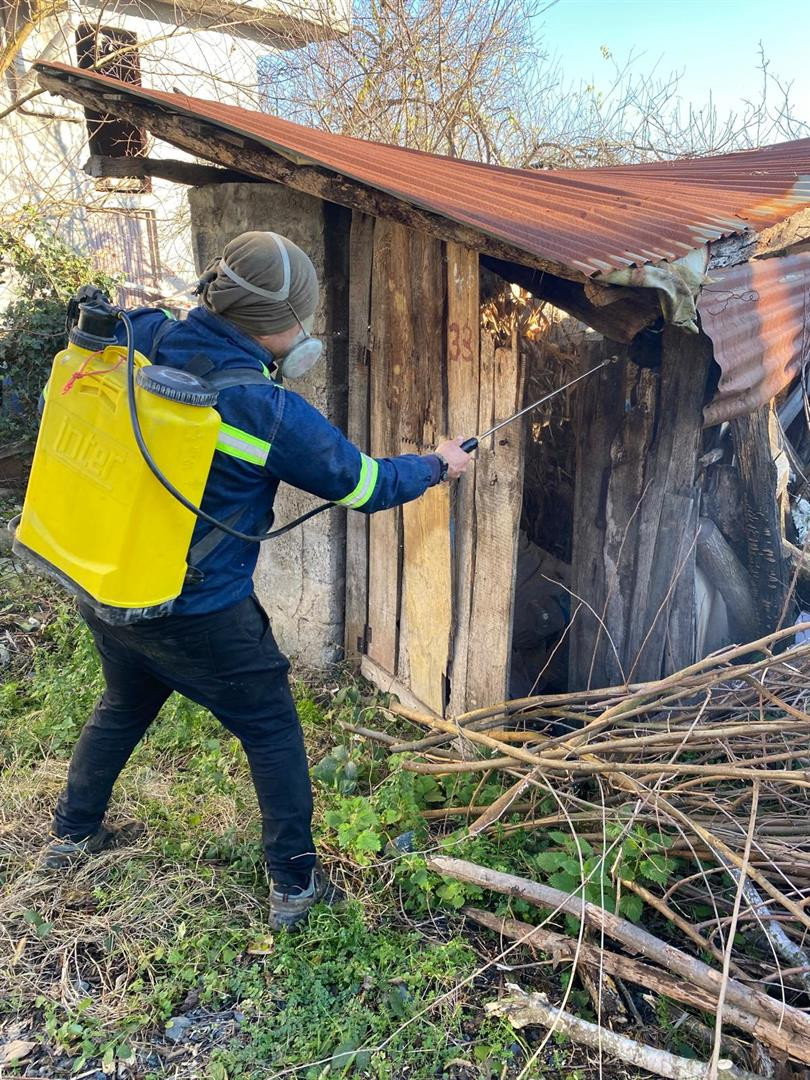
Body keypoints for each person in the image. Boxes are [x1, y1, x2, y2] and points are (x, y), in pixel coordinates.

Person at [41, 231, 471, 929]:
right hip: (199, 609)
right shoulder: (270, 412)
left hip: (110, 581)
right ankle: (296, 891)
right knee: (270, 728)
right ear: (285, 328)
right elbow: (366, 484)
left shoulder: (144, 335)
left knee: (123, 705)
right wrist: (437, 463)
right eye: (305, 318)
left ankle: (70, 836)